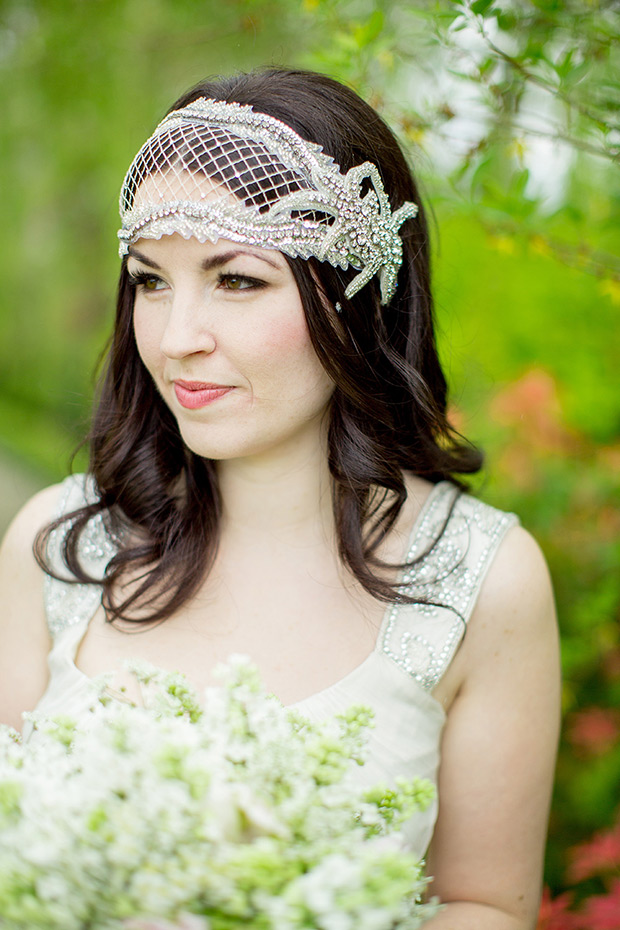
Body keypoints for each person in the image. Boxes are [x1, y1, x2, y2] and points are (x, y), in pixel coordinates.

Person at [0, 68, 560, 928]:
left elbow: (487, 903)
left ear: (357, 301)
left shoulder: (481, 579)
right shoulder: (56, 544)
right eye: (151, 280)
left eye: (237, 281)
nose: (179, 338)